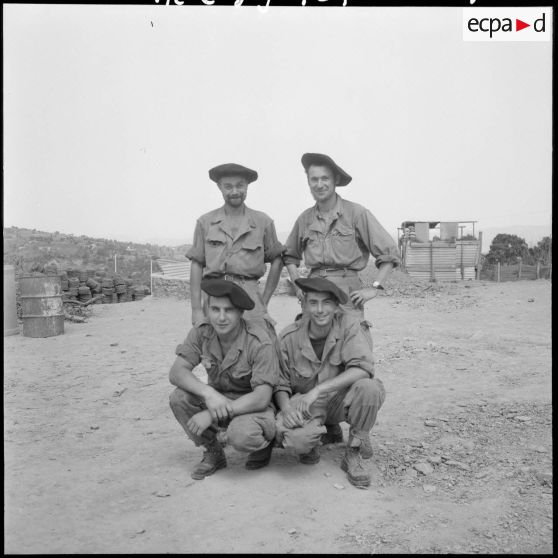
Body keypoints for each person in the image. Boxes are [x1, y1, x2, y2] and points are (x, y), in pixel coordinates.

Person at [283, 152, 399, 446]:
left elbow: (388, 252)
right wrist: (299, 283)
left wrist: (375, 287)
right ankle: (329, 423)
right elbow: (290, 254)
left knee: (356, 361)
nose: (319, 184)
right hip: (315, 291)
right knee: (315, 357)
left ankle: (360, 435)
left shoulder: (356, 213)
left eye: (324, 179)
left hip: (347, 292)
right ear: (308, 183)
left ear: (335, 181)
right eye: (314, 179)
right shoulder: (305, 219)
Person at [274, 277, 386, 489]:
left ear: (336, 306)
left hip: (337, 401)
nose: (320, 310)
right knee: (298, 442)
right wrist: (286, 408)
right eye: (313, 302)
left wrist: (319, 389)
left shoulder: (349, 326)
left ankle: (353, 452)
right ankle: (318, 438)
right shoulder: (289, 336)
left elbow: (363, 368)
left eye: (326, 303)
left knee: (369, 388)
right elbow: (280, 383)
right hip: (307, 406)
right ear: (304, 304)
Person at [169, 279, 279, 480]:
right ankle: (213, 451)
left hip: (252, 407)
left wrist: (211, 415)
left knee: (242, 435)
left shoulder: (259, 342)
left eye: (228, 310)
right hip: (218, 398)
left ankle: (264, 443)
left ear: (240, 313)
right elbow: (177, 372)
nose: (220, 317)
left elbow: (262, 397)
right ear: (208, 309)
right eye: (215, 309)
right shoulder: (202, 331)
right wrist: (208, 393)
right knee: (179, 397)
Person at [186, 163, 285, 332]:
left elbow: (277, 259)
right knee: (213, 349)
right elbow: (196, 264)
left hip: (250, 296)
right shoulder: (205, 222)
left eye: (240, 185)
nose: (234, 192)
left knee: (258, 343)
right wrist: (196, 309)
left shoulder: (263, 222)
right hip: (214, 296)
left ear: (247, 186)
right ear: (219, 187)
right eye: (228, 186)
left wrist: (264, 300)